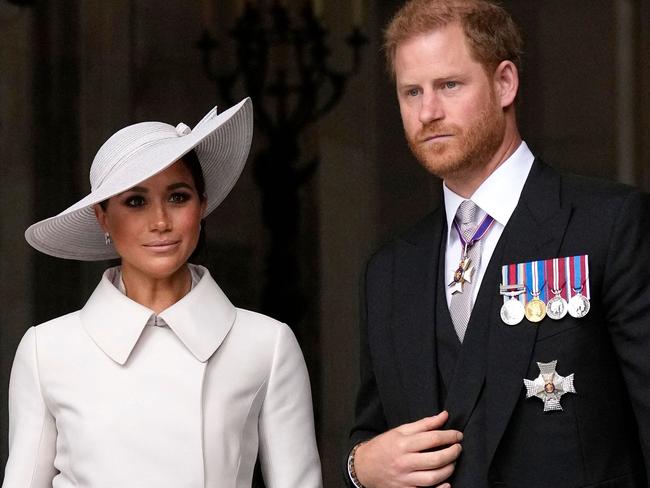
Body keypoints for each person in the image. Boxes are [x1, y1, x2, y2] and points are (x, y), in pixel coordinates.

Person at [345, 1, 650, 487]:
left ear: (504, 82)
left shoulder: (609, 225)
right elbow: (374, 434)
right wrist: (358, 469)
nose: (428, 112)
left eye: (449, 85)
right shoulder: (387, 272)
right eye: (411, 92)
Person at [3, 98, 322, 487]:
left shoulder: (266, 345)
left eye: (178, 197)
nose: (160, 222)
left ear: (202, 206)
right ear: (102, 216)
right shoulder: (45, 351)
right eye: (135, 201)